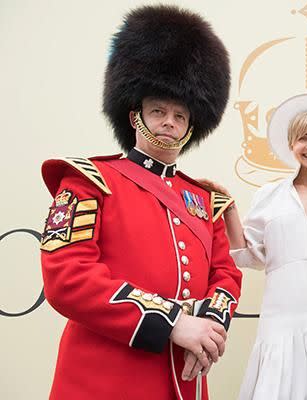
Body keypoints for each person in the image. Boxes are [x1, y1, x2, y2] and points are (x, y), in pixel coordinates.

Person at [39, 5, 242, 399]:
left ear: (191, 126)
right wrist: (172, 322)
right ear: (135, 117)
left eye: (180, 115)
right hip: (105, 379)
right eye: (158, 111)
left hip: (182, 378)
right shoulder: (88, 180)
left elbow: (226, 275)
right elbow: (67, 277)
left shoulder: (202, 199)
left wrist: (209, 328)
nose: (169, 121)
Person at [203, 94, 307, 399]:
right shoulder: (269, 195)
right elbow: (249, 254)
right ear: (291, 144)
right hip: (279, 326)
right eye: (303, 138)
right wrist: (228, 207)